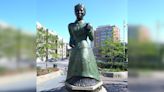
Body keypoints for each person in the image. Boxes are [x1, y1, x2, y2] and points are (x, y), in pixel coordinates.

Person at [66, 4, 100, 87]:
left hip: (84, 47)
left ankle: (87, 80)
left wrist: (90, 30)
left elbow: (91, 38)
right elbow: (71, 38)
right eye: (77, 10)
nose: (79, 12)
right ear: (74, 12)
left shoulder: (87, 25)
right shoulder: (70, 25)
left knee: (85, 64)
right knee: (73, 69)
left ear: (84, 12)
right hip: (74, 49)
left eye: (81, 10)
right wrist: (71, 43)